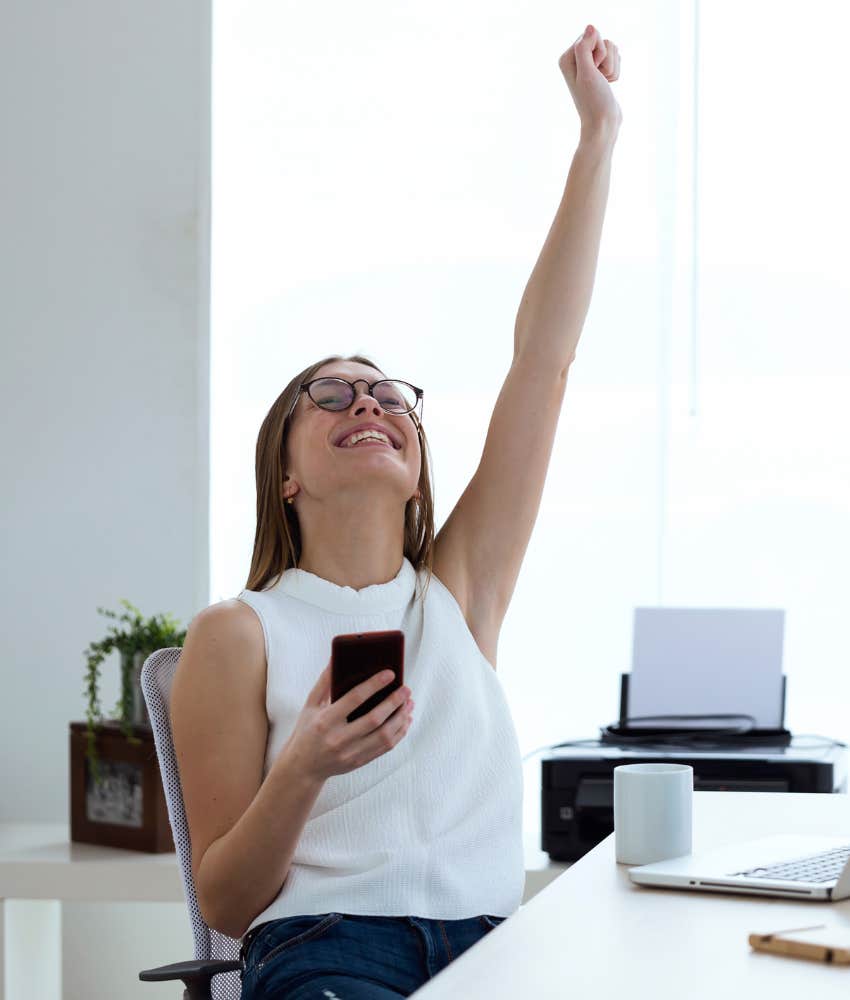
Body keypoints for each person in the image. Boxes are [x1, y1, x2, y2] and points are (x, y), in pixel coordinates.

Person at [171, 23, 621, 1000]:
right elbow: (228, 901)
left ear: (415, 469)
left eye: (385, 394)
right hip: (329, 949)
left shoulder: (460, 592)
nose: (366, 403)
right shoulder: (238, 632)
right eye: (328, 397)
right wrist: (303, 768)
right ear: (282, 472)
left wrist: (596, 137)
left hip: (497, 950)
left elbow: (542, 360)